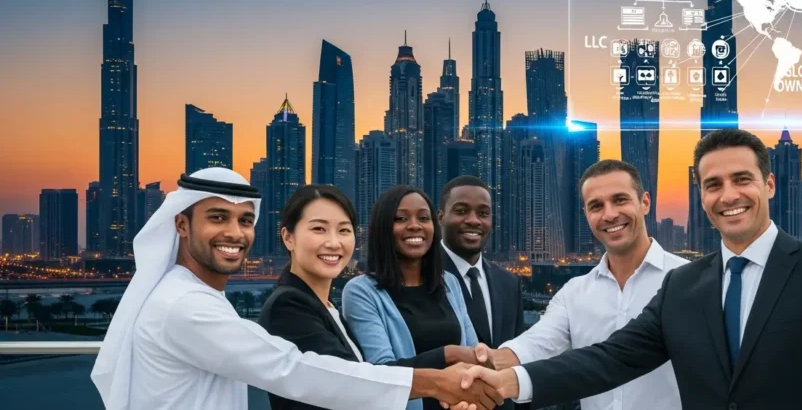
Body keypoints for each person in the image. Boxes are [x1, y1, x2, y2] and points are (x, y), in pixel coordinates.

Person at [462, 129, 802, 410]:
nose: (728, 196)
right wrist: (509, 381)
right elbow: (610, 358)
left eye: (742, 179)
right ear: (701, 197)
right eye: (713, 185)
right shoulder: (683, 285)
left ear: (770, 184)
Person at [90, 168, 500, 410]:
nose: (234, 233)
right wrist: (436, 381)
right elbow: (295, 370)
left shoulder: (206, 298)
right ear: (181, 224)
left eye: (245, 221)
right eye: (217, 218)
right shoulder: (185, 305)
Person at [470, 160, 688, 410]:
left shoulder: (686, 280)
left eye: (620, 200)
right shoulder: (574, 293)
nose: (609, 214)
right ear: (586, 214)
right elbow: (539, 342)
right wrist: (492, 360)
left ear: (645, 202)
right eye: (596, 206)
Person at [343, 184, 483, 410]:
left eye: (424, 218)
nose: (415, 226)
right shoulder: (361, 292)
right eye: (401, 219)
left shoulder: (449, 283)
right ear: (383, 228)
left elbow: (475, 355)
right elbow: (381, 372)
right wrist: (447, 354)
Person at [437, 176, 527, 410]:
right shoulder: (419, 277)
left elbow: (520, 359)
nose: (473, 220)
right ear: (441, 217)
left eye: (483, 213)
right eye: (461, 211)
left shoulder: (508, 282)